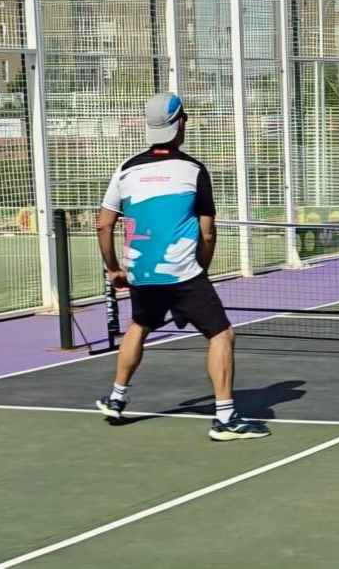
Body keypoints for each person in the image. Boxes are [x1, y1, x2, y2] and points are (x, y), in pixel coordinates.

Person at [94, 93, 270, 442]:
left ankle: (116, 398)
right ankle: (225, 419)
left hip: (142, 272)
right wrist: (200, 267)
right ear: (180, 123)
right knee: (221, 335)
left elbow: (103, 225)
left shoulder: (125, 169)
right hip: (183, 273)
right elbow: (207, 232)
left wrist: (114, 269)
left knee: (140, 325)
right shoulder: (194, 170)